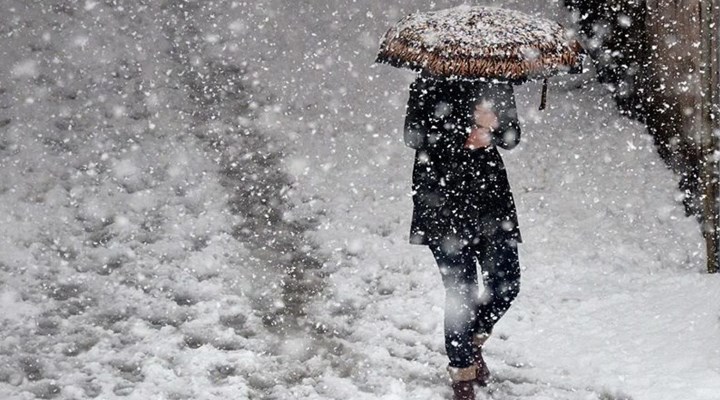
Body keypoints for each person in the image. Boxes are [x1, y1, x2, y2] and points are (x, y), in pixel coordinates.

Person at [403, 73, 522, 400]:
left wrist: (494, 128)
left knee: (506, 283)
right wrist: (465, 129)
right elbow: (413, 136)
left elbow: (512, 137)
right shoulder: (428, 81)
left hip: (490, 201)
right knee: (462, 293)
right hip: (441, 201)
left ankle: (471, 341)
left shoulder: (497, 80)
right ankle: (462, 375)